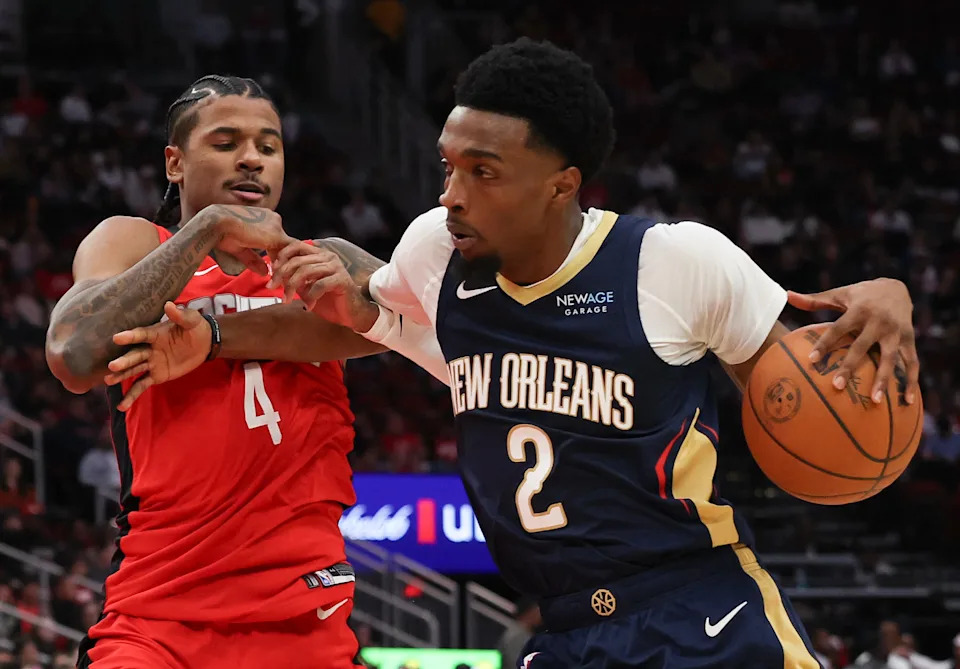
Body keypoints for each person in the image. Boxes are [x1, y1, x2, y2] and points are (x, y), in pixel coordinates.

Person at [107, 41, 921, 669]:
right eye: (448, 165)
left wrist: (889, 294)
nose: (450, 193)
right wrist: (216, 334)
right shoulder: (434, 250)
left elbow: (796, 379)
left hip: (697, 608)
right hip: (561, 628)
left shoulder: (675, 262)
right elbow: (352, 314)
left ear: (561, 183)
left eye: (482, 172)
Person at [45, 75, 390, 668]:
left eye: (268, 145)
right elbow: (72, 354)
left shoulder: (325, 263)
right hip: (159, 619)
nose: (252, 158)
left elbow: (436, 327)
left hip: (306, 624)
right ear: (175, 163)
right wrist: (208, 226)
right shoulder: (132, 241)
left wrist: (217, 336)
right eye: (226, 143)